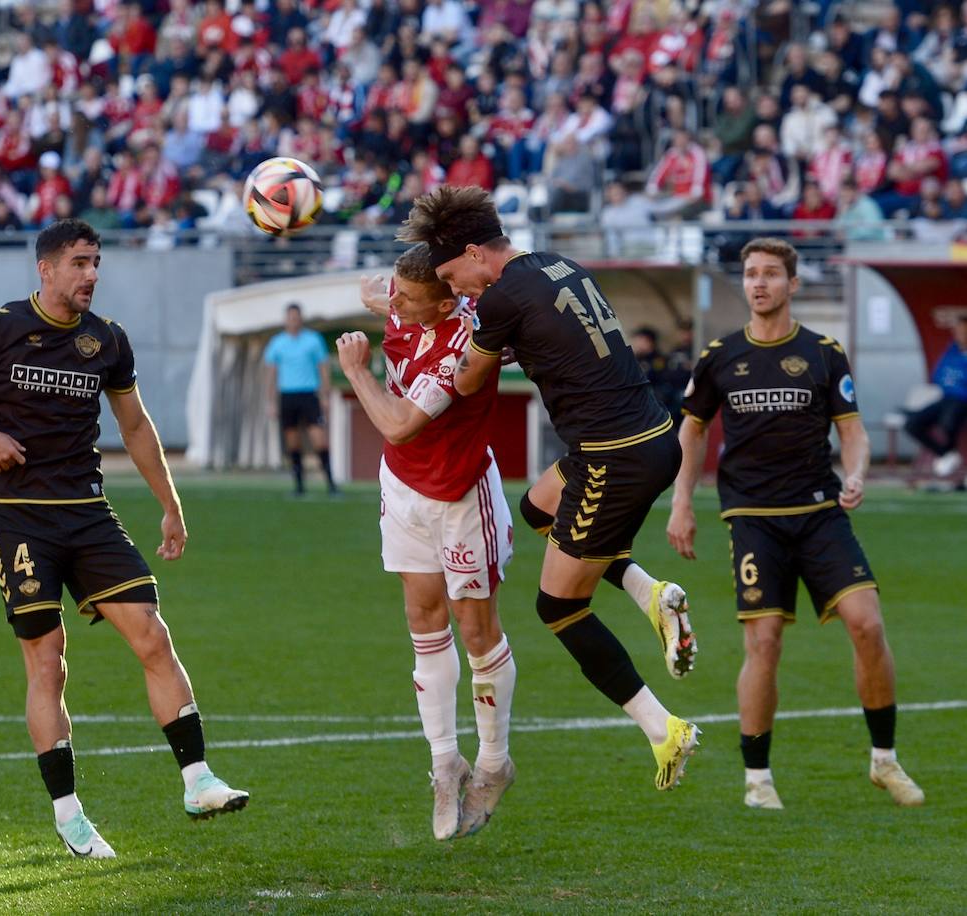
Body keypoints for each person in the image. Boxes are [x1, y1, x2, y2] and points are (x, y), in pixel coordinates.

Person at [0, 220, 248, 859]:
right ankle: (70, 815)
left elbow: (136, 426)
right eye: (78, 262)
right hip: (18, 517)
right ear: (45, 269)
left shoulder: (108, 341)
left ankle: (197, 779)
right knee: (49, 661)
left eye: (95, 262)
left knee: (153, 634)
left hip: (88, 513)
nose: (91, 274)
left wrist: (171, 504)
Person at [397, 185, 701, 792]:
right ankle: (651, 595)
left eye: (455, 276)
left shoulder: (500, 298)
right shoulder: (556, 266)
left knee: (558, 607)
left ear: (476, 251)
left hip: (611, 458)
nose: (457, 290)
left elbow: (466, 373)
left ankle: (663, 728)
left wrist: (458, 340)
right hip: (651, 435)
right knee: (537, 507)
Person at [667, 237, 924, 810]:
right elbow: (692, 430)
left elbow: (852, 430)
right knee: (763, 641)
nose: (758, 283)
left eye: (770, 274)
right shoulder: (718, 355)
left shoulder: (824, 352)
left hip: (819, 512)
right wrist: (681, 501)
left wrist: (855, 473)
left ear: (793, 284)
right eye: (751, 274)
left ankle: (884, 760)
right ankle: (757, 779)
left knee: (868, 624)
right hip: (753, 518)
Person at [335, 245, 517, 840]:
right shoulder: (405, 304)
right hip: (404, 489)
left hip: (460, 495)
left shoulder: (463, 344)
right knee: (422, 617)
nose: (395, 306)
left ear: (446, 303)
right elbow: (377, 294)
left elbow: (398, 423)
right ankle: (445, 763)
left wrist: (358, 371)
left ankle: (493, 762)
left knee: (475, 629)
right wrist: (377, 293)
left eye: (407, 301)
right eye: (395, 294)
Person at [263, 303, 338, 496]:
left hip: (309, 395)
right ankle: (299, 486)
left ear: (301, 319)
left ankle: (330, 484)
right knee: (292, 441)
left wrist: (325, 394)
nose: (293, 321)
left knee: (319, 439)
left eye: (296, 317)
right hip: (288, 395)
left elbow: (323, 368)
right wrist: (270, 401)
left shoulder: (313, 340)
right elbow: (271, 374)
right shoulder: (277, 343)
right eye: (290, 317)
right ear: (286, 319)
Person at [902, 314, 967, 478]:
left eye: (961, 329)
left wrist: (956, 382)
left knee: (949, 422)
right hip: (947, 398)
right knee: (912, 424)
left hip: (963, 400)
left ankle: (951, 458)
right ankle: (946, 453)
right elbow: (938, 375)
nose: (957, 333)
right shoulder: (952, 349)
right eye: (956, 330)